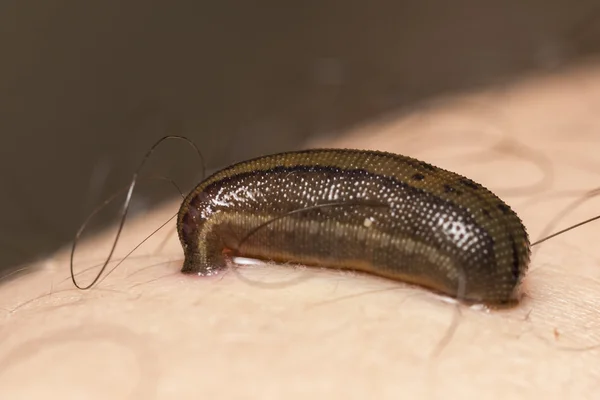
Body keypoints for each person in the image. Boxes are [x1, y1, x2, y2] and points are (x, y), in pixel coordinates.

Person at [2, 64, 600, 399]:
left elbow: (493, 265)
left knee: (488, 255)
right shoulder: (211, 216)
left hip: (478, 246)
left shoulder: (484, 253)